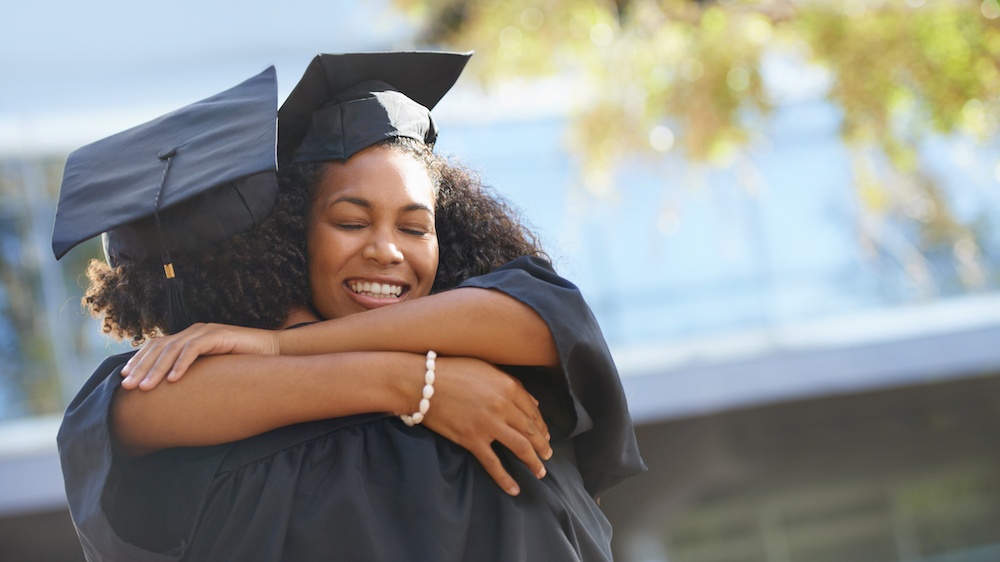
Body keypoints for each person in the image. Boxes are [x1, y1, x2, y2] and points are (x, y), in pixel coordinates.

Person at [54, 52, 644, 561]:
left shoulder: (505, 353)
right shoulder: (201, 411)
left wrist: (287, 344)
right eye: (351, 221)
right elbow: (137, 406)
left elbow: (538, 321)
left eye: (417, 228)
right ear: (289, 238)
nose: (386, 250)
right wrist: (415, 384)